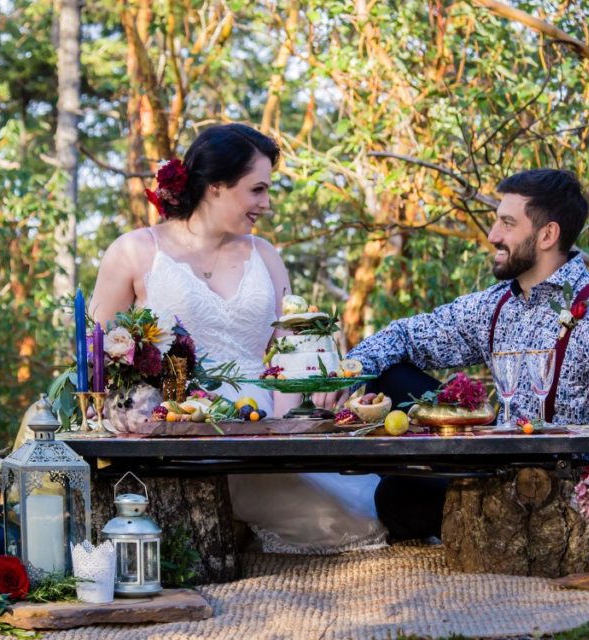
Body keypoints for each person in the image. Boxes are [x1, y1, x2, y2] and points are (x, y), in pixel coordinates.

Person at [318, 169, 589, 565]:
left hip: (559, 499)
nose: (492, 236)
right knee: (394, 474)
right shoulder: (495, 304)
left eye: (506, 223)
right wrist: (353, 368)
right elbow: (408, 336)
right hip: (487, 475)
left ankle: (532, 543)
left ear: (547, 235)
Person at [89, 123, 387, 554]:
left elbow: (291, 353)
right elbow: (101, 355)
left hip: (261, 429)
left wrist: (301, 427)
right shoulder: (135, 251)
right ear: (214, 187)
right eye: (257, 190)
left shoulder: (264, 254)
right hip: (175, 427)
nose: (266, 204)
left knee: (350, 518)